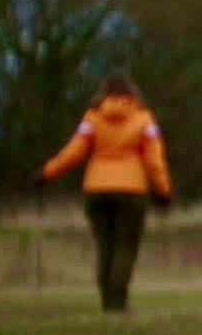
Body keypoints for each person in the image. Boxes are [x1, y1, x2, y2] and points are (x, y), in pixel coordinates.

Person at [35, 72, 175, 313]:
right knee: (125, 247)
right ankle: (117, 303)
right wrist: (163, 190)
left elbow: (74, 152)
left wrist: (47, 173)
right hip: (131, 192)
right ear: (133, 94)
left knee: (105, 247)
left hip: (96, 190)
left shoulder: (92, 118)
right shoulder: (144, 119)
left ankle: (106, 299)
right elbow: (154, 159)